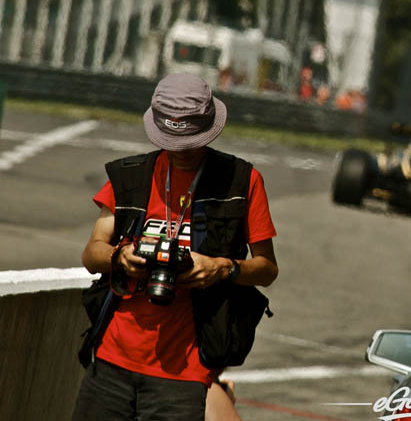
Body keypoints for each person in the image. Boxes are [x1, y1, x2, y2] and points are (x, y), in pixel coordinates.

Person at [72, 73, 278, 420]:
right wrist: (119, 257)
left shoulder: (242, 181)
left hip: (184, 373)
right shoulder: (130, 177)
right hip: (110, 360)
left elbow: (267, 269)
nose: (181, 151)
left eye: (191, 141)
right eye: (172, 141)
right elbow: (91, 254)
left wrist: (221, 268)